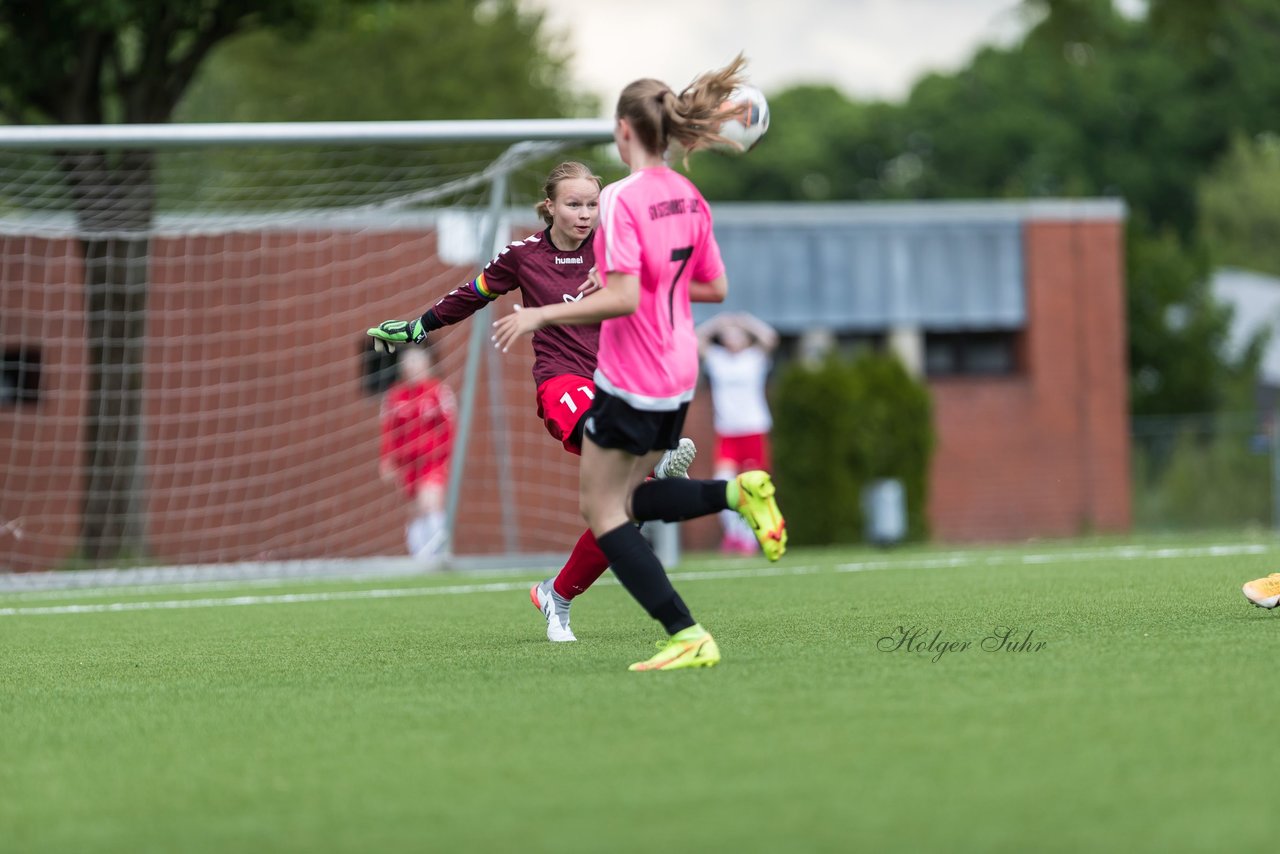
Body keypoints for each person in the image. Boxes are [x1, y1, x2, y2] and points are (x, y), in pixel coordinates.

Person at [491, 55, 787, 672]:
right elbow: (714, 288)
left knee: (603, 513)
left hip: (631, 375)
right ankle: (735, 491)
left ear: (624, 131)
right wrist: (644, 281)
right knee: (631, 501)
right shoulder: (688, 195)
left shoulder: (622, 199)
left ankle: (685, 627)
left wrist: (538, 316)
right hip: (681, 371)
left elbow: (624, 299)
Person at [365, 161, 697, 642]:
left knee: (626, 508)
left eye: (591, 204)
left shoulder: (617, 251)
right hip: (562, 383)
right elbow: (471, 294)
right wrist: (420, 326)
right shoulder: (522, 256)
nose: (585, 214)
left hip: (617, 381)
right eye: (574, 204)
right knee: (604, 435)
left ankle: (556, 595)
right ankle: (660, 453)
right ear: (550, 206)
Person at [697, 311, 779, 555]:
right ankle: (734, 535)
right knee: (724, 484)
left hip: (753, 429)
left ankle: (750, 539)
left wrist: (746, 321)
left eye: (737, 335)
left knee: (753, 486)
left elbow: (770, 338)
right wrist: (717, 322)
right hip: (727, 432)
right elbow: (695, 338)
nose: (732, 338)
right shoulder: (718, 358)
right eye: (729, 335)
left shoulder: (754, 358)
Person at [379, 345, 455, 560]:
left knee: (429, 502)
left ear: (427, 365)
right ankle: (419, 555)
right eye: (408, 364)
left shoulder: (438, 392)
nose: (412, 368)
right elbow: (388, 431)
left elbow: (449, 428)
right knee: (414, 510)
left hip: (433, 460)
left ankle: (437, 551)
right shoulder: (395, 396)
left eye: (417, 363)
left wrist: (447, 457)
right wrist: (387, 460)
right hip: (407, 464)